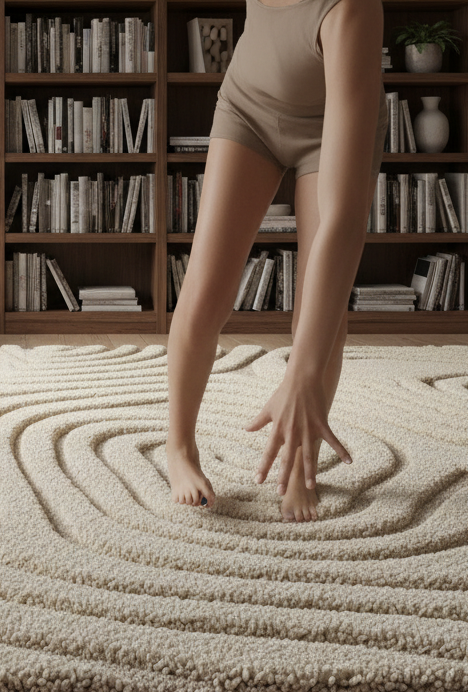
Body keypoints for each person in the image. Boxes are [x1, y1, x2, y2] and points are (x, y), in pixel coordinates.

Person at [166, 0, 388, 522]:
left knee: (320, 309)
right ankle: (178, 448)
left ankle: (298, 469)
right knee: (204, 293)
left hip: (329, 129)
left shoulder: (352, 9)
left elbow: (343, 221)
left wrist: (300, 374)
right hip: (247, 108)